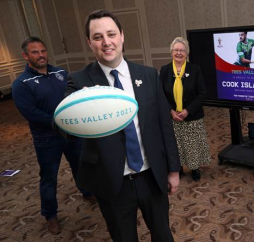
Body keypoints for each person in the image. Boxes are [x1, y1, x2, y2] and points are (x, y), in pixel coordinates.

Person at [65, 10, 180, 242]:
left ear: (122, 36)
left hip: (151, 176)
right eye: (98, 37)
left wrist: (174, 170)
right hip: (111, 182)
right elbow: (61, 128)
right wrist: (80, 107)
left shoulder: (148, 75)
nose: (106, 42)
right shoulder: (78, 82)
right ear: (89, 42)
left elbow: (164, 126)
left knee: (163, 234)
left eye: (111, 34)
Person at [12, 37, 94, 235]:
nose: (41, 55)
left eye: (43, 50)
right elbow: (31, 113)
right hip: (46, 139)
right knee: (49, 178)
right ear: (26, 56)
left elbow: (71, 96)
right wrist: (60, 120)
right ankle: (50, 215)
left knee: (80, 166)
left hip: (72, 134)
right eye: (35, 52)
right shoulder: (21, 84)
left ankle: (87, 192)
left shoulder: (60, 72)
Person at [159, 37, 211, 182]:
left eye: (182, 50)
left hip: (191, 115)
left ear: (187, 53)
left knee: (192, 144)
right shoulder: (165, 70)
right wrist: (171, 111)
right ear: (171, 52)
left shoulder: (195, 69)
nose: (179, 53)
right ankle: (178, 168)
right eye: (176, 50)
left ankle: (195, 169)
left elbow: (202, 93)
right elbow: (160, 94)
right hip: (172, 117)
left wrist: (187, 110)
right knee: (176, 145)